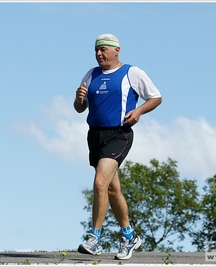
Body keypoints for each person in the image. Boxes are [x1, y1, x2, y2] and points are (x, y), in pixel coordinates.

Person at [74, 33, 162, 260]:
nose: (99, 54)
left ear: (116, 50)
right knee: (111, 189)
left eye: (103, 49)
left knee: (99, 182)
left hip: (119, 134)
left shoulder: (131, 72)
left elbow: (156, 97)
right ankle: (129, 235)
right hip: (95, 135)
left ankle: (94, 238)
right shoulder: (91, 74)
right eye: (96, 50)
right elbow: (79, 108)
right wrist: (79, 98)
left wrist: (139, 111)